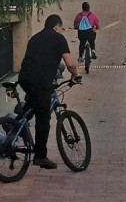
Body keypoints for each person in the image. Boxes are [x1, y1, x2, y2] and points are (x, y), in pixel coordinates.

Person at [18, 14, 81, 169]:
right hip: (41, 82)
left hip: (25, 79)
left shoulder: (34, 38)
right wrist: (75, 74)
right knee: (43, 119)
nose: (62, 31)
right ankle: (40, 156)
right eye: (61, 28)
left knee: (33, 105)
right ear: (56, 27)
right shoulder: (58, 39)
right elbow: (69, 62)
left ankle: (14, 124)